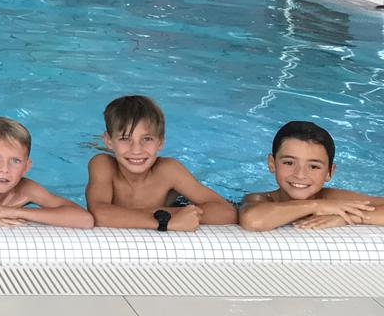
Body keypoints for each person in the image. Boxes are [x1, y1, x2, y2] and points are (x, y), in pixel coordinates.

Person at [84, 95, 236, 232]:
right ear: (109, 141)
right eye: (125, 139)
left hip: (178, 204)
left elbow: (227, 212)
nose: (136, 150)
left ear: (161, 142)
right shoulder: (103, 165)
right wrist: (165, 221)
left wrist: (128, 216)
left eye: (147, 139)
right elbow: (98, 214)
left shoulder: (168, 170)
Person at [240, 120, 384, 231]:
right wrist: (317, 206)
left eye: (314, 166)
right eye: (289, 163)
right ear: (272, 164)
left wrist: (348, 217)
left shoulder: (332, 198)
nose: (300, 175)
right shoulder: (261, 199)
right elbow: (253, 220)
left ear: (329, 172)